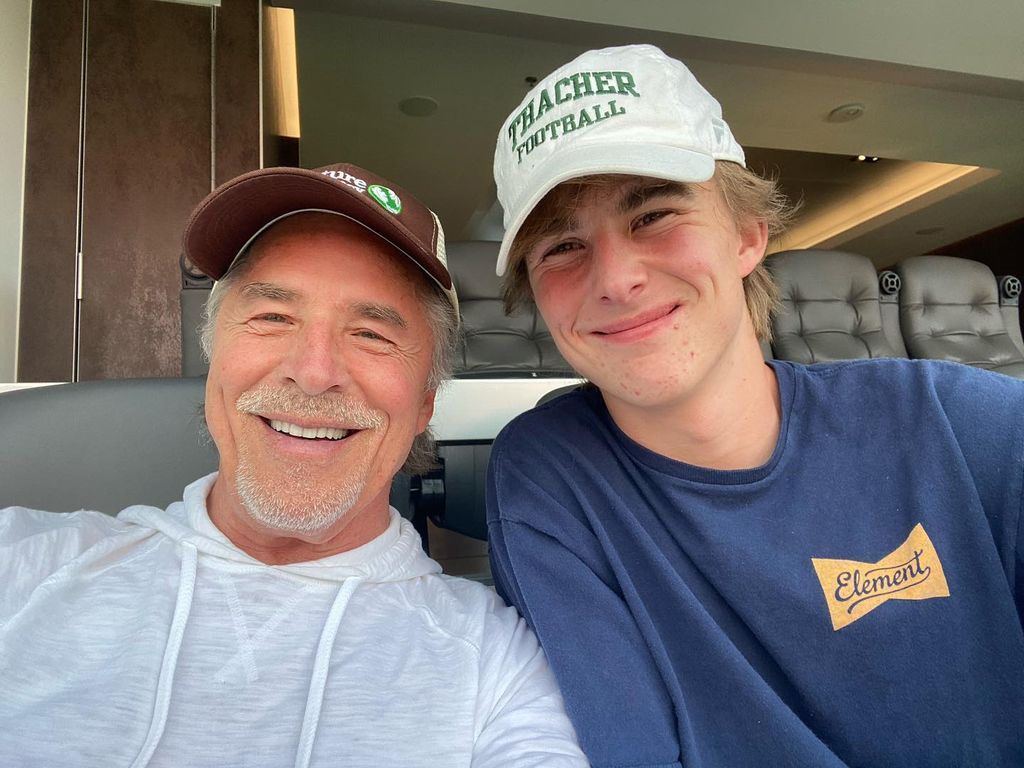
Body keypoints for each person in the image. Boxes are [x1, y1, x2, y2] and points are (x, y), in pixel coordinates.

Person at [486, 44, 1024, 767]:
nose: (614, 277)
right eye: (561, 246)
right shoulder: (549, 477)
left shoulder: (969, 426)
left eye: (652, 214)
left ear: (746, 235)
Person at [0, 162, 585, 766]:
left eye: (371, 334)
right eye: (273, 318)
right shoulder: (23, 564)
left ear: (424, 406)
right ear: (214, 364)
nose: (313, 372)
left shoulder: (497, 666)